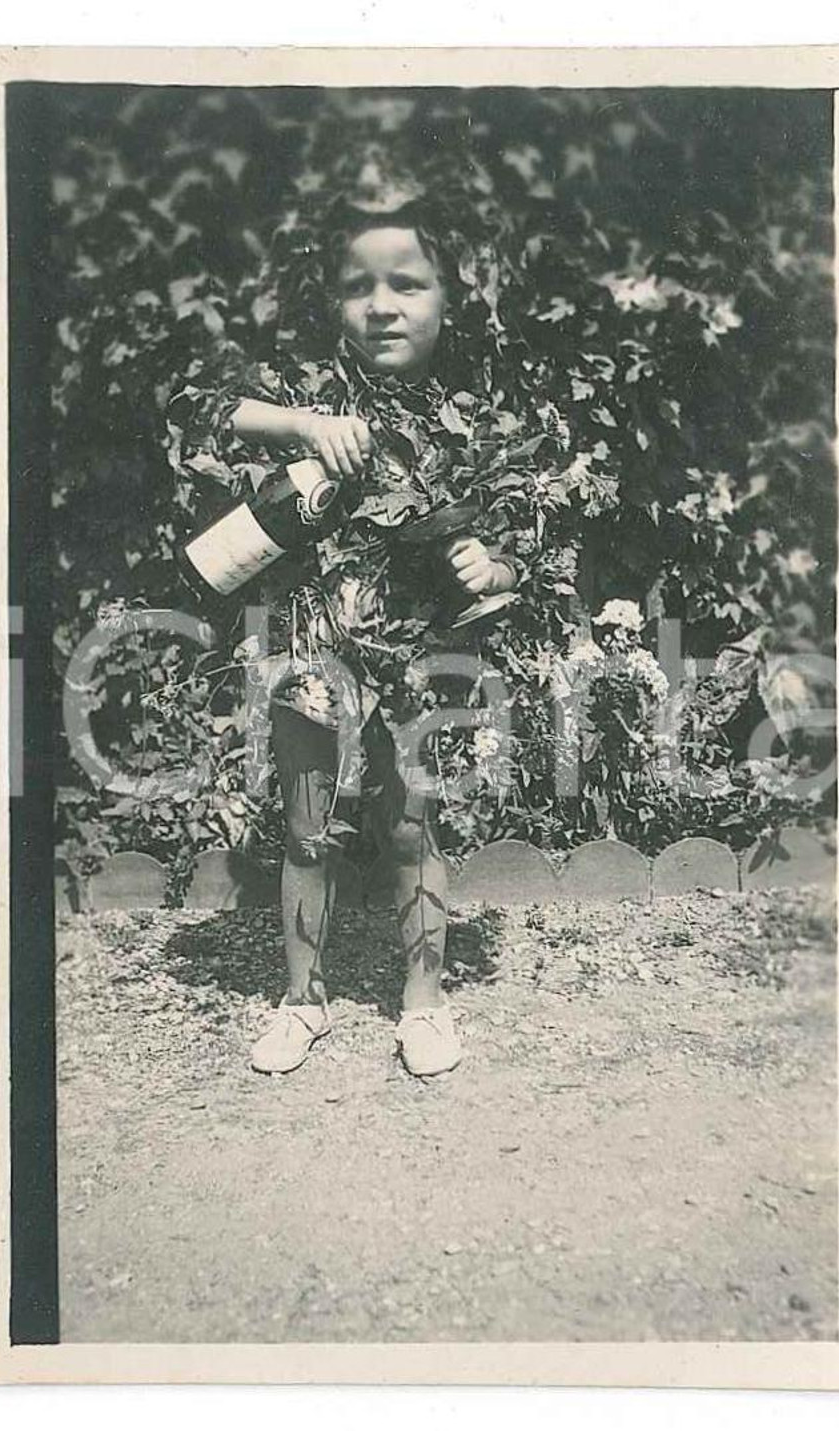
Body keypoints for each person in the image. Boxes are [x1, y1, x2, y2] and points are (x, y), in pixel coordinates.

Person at [169, 199, 518, 1077]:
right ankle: (302, 1002)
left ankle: (425, 1001)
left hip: (421, 654)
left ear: (450, 298)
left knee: (410, 828)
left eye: (408, 283)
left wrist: (495, 566)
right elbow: (194, 404)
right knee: (305, 830)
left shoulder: (475, 422)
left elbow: (537, 553)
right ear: (333, 303)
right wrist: (302, 426)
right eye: (359, 286)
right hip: (309, 649)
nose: (383, 304)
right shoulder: (309, 391)